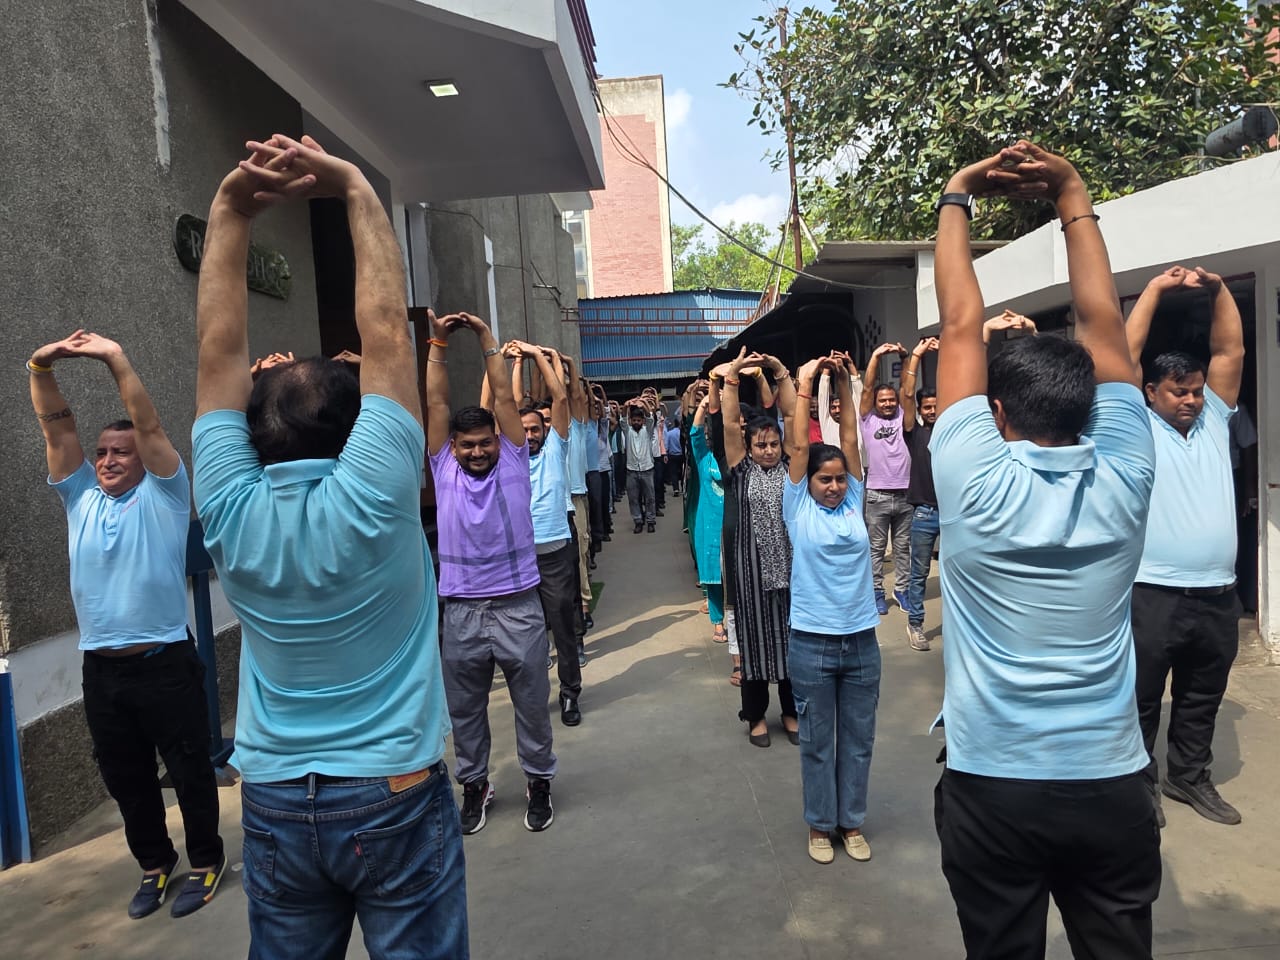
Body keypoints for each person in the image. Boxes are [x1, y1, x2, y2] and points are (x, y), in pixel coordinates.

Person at [192, 135, 464, 958]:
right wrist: (355, 188)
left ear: (253, 434)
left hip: (275, 795)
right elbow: (385, 331)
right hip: (392, 790)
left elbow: (217, 351)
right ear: (356, 430)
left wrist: (229, 209)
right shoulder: (376, 492)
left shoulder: (228, 506)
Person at [930, 141, 1160, 959]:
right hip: (1111, 780)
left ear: (996, 414)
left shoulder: (973, 481)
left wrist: (957, 194)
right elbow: (1105, 325)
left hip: (994, 784)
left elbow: (961, 323)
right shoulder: (1129, 473)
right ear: (1095, 409)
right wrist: (1072, 193)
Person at [29, 330, 226, 921]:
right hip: (102, 671)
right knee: (127, 778)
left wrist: (115, 359)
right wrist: (40, 367)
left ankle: (206, 861)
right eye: (102, 453)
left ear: (144, 459)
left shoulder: (165, 495)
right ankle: (154, 864)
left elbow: (151, 426)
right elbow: (56, 432)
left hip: (164, 663)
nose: (108, 460)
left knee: (189, 771)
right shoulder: (80, 498)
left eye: (121, 452)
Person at [425, 311, 558, 836]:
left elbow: (504, 398)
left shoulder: (513, 459)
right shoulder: (442, 466)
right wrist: (437, 343)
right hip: (461, 611)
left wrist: (486, 338)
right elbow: (436, 404)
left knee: (532, 706)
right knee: (465, 711)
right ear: (453, 448)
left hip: (518, 605)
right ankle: (475, 784)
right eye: (468, 445)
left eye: (485, 442)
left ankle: (539, 780)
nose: (478, 451)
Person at [1124, 264, 1246, 826]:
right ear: (1151, 393)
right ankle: (1138, 784)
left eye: (1196, 391)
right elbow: (1124, 357)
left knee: (1202, 695)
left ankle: (1189, 777)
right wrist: (1153, 290)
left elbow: (1230, 351)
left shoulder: (1215, 421)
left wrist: (1218, 290)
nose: (1192, 400)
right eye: (1180, 391)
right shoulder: (1136, 425)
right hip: (1154, 593)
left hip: (1218, 595)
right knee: (1142, 697)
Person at [783, 353, 881, 865]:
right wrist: (805, 384)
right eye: (825, 480)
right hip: (812, 643)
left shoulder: (853, 500)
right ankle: (821, 825)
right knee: (818, 742)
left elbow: (851, 438)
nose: (835, 486)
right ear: (809, 482)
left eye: (841, 479)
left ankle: (852, 822)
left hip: (862, 641)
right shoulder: (798, 505)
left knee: (859, 740)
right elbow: (800, 445)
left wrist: (842, 381)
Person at [721, 348, 799, 748]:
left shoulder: (792, 468)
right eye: (760, 444)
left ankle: (791, 711)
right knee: (754, 640)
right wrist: (733, 375)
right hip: (750, 571)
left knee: (791, 639)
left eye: (772, 444)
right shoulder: (740, 471)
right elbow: (729, 424)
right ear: (749, 446)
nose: (768, 450)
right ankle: (755, 716)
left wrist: (780, 371)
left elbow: (792, 415)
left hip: (791, 570)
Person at [508, 341, 585, 724]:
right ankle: (535, 695)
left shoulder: (557, 448)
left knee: (563, 628)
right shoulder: (510, 455)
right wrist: (515, 362)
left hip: (555, 555)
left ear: (546, 430)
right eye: (523, 430)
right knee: (527, 634)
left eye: (535, 429)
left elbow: (560, 397)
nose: (530, 435)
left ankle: (570, 693)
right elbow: (506, 404)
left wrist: (537, 356)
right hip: (521, 557)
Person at [858, 343, 913, 615]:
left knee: (903, 548)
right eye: (883, 400)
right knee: (876, 549)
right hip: (877, 494)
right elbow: (867, 388)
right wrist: (877, 356)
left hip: (905, 494)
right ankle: (877, 592)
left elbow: (907, 388)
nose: (888, 403)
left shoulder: (903, 415)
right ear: (876, 403)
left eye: (891, 400)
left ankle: (902, 590)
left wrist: (904, 357)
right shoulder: (867, 420)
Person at [901, 337, 939, 652]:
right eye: (927, 407)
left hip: (954, 512)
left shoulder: (952, 429)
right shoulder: (915, 433)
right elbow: (906, 396)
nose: (932, 411)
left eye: (936, 406)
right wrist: (916, 356)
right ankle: (915, 624)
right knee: (919, 574)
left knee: (959, 573)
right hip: (925, 513)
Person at [689, 394, 727, 646]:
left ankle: (736, 619)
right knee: (713, 578)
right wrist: (704, 405)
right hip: (709, 527)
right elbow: (695, 434)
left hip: (733, 526)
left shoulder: (738, 459)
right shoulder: (705, 458)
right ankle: (718, 622)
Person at [625, 399, 658, 532]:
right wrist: (626, 405)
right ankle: (638, 521)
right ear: (631, 421)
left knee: (650, 498)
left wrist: (643, 402)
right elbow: (622, 419)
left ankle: (650, 521)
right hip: (631, 470)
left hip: (647, 469)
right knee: (633, 499)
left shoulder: (647, 430)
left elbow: (650, 417)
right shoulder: (627, 431)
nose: (636, 422)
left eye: (639, 420)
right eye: (634, 420)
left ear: (642, 421)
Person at [665, 413, 684, 497]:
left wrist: (666, 453)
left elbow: (666, 445)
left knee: (673, 473)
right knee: (682, 472)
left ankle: (676, 489)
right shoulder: (682, 433)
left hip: (672, 455)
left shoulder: (669, 433)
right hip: (681, 455)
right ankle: (683, 487)